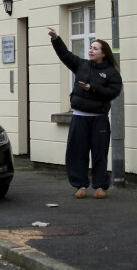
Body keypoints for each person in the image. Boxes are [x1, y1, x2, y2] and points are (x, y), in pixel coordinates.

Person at [47, 28, 122, 198]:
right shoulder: (81, 65)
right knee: (77, 153)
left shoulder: (111, 72)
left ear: (103, 53)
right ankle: (80, 185)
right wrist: (56, 38)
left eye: (95, 48)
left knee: (99, 154)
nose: (91, 50)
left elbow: (113, 92)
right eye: (90, 47)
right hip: (79, 118)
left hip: (99, 120)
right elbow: (65, 55)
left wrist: (92, 88)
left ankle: (100, 187)